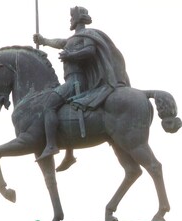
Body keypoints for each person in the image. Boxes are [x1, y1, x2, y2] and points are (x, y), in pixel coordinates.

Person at [32, 6, 130, 162]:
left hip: (77, 81)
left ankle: (51, 145)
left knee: (49, 104)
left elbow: (90, 51)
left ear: (78, 18)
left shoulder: (88, 34)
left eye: (72, 17)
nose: (70, 20)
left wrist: (71, 55)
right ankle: (69, 153)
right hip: (71, 80)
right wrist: (44, 41)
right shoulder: (73, 39)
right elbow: (60, 42)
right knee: (61, 107)